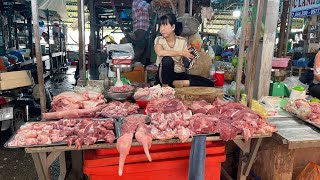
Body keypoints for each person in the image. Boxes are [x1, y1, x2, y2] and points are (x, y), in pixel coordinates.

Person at [154, 13, 214, 87]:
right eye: (160, 26)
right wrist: (181, 53)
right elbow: (160, 53)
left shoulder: (182, 41)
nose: (162, 29)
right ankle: (166, 87)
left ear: (173, 27)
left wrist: (188, 59)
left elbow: (186, 63)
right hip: (163, 77)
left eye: (165, 25)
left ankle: (178, 83)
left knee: (208, 83)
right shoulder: (159, 40)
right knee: (167, 59)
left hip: (179, 75)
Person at [130, 0, 152, 65]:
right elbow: (149, 7)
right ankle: (131, 64)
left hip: (143, 30)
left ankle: (138, 68)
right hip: (140, 29)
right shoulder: (137, 1)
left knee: (143, 52)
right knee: (140, 50)